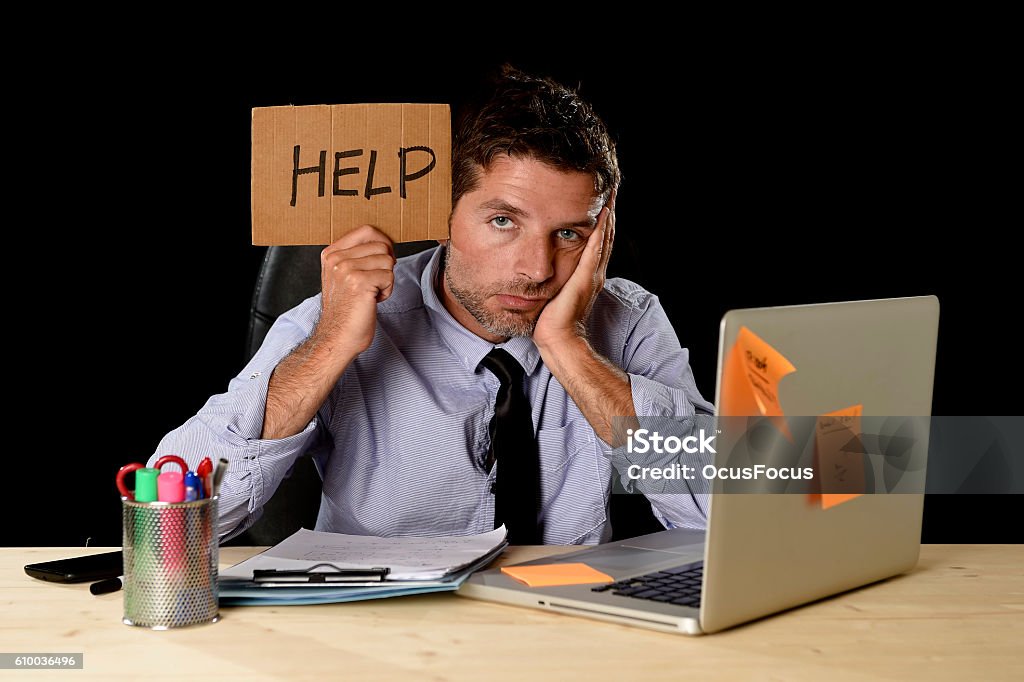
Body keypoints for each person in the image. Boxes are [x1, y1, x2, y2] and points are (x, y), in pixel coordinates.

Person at [150, 64, 714, 544]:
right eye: (502, 221)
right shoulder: (340, 316)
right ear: (441, 214)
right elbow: (171, 521)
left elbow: (747, 513)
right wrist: (329, 348)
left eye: (569, 234)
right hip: (379, 638)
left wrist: (569, 348)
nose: (538, 269)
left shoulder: (629, 318)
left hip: (564, 638)